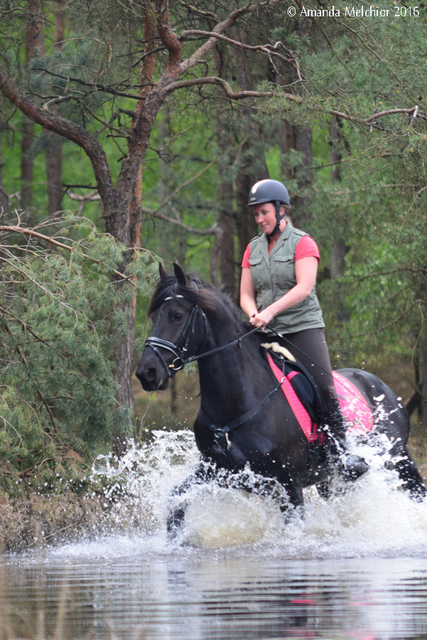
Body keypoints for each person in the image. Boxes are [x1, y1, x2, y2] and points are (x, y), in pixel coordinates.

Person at [240, 178, 368, 481]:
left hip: (302, 328)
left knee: (323, 387)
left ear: (281, 210)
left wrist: (270, 311)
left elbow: (304, 287)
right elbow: (245, 293)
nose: (260, 219)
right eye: (256, 214)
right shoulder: (251, 249)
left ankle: (342, 450)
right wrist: (253, 312)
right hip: (266, 330)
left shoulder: (303, 243)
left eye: (264, 213)